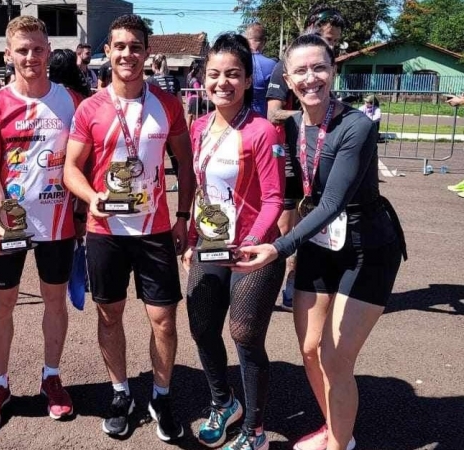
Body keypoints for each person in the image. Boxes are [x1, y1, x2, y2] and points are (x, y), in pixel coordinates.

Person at [236, 34, 407, 450]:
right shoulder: (287, 127)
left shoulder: (357, 126)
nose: (310, 77)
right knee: (310, 348)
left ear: (333, 71)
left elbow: (332, 201)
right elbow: (281, 192)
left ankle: (338, 446)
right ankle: (337, 431)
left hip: (367, 247)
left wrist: (278, 247)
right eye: (301, 70)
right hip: (318, 244)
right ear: (288, 79)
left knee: (335, 356)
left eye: (319, 68)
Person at [64, 13, 195, 442]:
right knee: (110, 315)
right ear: (108, 51)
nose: (127, 54)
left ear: (147, 52)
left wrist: (181, 216)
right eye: (119, 46)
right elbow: (70, 170)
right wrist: (91, 198)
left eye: (135, 46)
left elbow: (186, 166)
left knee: (164, 320)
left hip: (154, 229)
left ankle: (160, 394)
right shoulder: (90, 107)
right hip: (105, 230)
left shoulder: (168, 104)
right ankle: (121, 393)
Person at [0, 16, 84, 432]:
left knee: (54, 303)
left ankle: (51, 377)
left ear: (48, 49)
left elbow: (84, 162)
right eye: (22, 50)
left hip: (58, 225)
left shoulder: (72, 100)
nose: (31, 57)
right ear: (8, 54)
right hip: (10, 226)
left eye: (38, 49)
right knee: (2, 306)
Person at [182, 32, 285, 450]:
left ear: (246, 81)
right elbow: (198, 189)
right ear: (203, 79)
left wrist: (253, 242)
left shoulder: (262, 131)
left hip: (254, 251)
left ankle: (255, 431)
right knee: (202, 325)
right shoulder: (199, 126)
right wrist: (190, 238)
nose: (222, 82)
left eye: (233, 74)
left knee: (244, 333)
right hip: (209, 245)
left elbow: (276, 198)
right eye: (214, 74)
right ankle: (223, 403)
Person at [266, 5, 346, 311]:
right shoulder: (286, 65)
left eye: (335, 43)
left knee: (314, 223)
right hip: (288, 157)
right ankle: (268, 286)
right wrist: (309, 116)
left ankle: (296, 285)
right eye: (326, 38)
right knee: (286, 228)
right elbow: (273, 113)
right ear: (311, 27)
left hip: (319, 158)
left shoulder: (326, 65)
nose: (330, 46)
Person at [146, 53, 182, 187]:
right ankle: (180, 180)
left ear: (154, 65)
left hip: (157, 122)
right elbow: (179, 102)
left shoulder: (150, 81)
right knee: (175, 155)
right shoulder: (175, 79)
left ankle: (153, 181)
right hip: (173, 122)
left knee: (154, 154)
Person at [244, 23, 276, 117]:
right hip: (262, 114)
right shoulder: (272, 64)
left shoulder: (238, 61)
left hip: (238, 114)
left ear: (246, 39)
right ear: (264, 41)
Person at [186, 61, 209, 130]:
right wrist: (202, 97)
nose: (200, 74)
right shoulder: (195, 81)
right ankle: (196, 130)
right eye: (199, 72)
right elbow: (198, 91)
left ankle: (189, 130)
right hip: (196, 100)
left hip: (190, 99)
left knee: (190, 117)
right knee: (197, 118)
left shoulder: (190, 78)